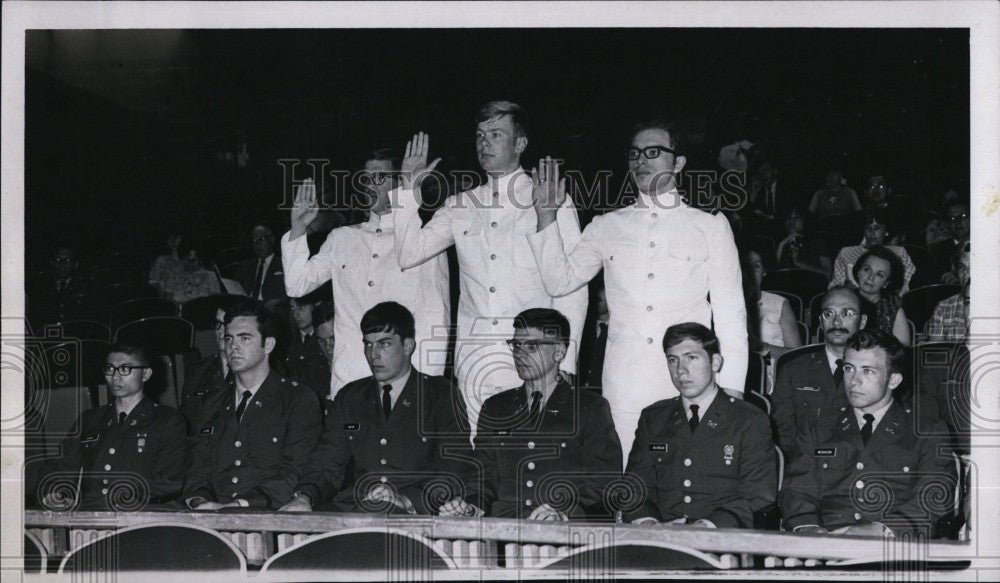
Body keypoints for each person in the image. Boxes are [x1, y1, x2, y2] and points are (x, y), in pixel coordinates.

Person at [526, 118, 747, 463]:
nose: (641, 160)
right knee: (628, 482)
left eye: (654, 152)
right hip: (624, 384)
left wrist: (730, 392)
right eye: (634, 154)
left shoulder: (709, 226)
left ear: (679, 163)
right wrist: (546, 216)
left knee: (687, 480)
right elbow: (560, 281)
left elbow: (731, 316)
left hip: (686, 379)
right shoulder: (607, 225)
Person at [390, 101, 588, 439]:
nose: (485, 143)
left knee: (532, 457)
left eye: (496, 134)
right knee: (479, 461)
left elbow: (572, 286)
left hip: (534, 357)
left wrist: (565, 363)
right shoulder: (460, 204)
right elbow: (409, 255)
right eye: (480, 135)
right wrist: (409, 189)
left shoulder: (551, 197)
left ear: (520, 144)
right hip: (474, 361)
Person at [283, 147, 451, 396]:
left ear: (401, 181)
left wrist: (427, 383)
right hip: (350, 377)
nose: (370, 185)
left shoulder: (424, 241)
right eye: (366, 178)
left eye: (380, 178)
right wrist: (298, 227)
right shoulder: (342, 238)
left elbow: (436, 317)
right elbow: (297, 285)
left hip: (405, 381)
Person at [281, 302, 470, 514]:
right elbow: (327, 462)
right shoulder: (350, 397)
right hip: (356, 510)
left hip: (414, 516)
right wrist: (305, 496)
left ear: (407, 346)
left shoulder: (439, 394)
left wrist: (407, 500)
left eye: (384, 344)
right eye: (368, 344)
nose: (374, 355)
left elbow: (455, 469)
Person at [439, 308, 621, 520]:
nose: (520, 354)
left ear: (559, 352)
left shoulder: (589, 408)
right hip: (503, 531)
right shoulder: (496, 408)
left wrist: (565, 513)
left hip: (563, 536)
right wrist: (470, 506)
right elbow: (483, 479)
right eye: (516, 345)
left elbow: (605, 482)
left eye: (532, 346)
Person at [781, 329, 955, 538]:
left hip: (893, 547)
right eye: (849, 369)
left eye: (868, 371)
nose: (854, 381)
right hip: (826, 540)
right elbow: (797, 489)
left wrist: (883, 530)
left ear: (893, 381)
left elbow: (934, 496)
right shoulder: (819, 427)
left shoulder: (928, 431)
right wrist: (808, 527)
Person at [623, 323, 776, 528]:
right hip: (661, 534)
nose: (681, 370)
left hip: (722, 536)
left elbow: (758, 494)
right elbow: (635, 486)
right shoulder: (654, 418)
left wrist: (705, 526)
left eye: (691, 358)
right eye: (673, 360)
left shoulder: (748, 419)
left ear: (715, 362)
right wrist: (649, 524)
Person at [184, 299, 322, 510]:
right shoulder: (211, 402)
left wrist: (239, 505)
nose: (233, 346)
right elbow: (197, 469)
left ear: (268, 344)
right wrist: (199, 501)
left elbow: (294, 471)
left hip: (268, 514)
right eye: (229, 338)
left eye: (244, 338)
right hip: (210, 512)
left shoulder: (297, 399)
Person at [40, 343, 187, 509]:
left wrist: (117, 498)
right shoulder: (91, 420)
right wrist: (53, 493)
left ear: (145, 374)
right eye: (110, 369)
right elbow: (59, 465)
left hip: (142, 518)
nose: (115, 377)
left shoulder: (167, 420)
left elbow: (169, 482)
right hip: (90, 518)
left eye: (125, 369)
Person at [772, 286, 868, 458]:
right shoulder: (794, 370)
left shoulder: (876, 371)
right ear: (820, 321)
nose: (837, 322)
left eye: (847, 313)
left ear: (862, 322)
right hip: (806, 471)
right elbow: (783, 436)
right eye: (828, 314)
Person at [742, 249, 802, 392]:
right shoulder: (725, 305)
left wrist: (761, 347)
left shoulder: (779, 304)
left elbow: (798, 356)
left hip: (772, 375)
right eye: (745, 267)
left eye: (756, 266)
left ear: (764, 272)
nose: (750, 272)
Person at [830, 211, 916, 293]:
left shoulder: (899, 253)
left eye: (877, 228)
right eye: (868, 228)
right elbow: (835, 285)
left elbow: (906, 285)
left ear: (886, 231)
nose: (872, 233)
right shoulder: (846, 252)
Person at [180, 307, 232, 435]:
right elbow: (187, 419)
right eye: (218, 324)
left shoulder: (258, 370)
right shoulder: (198, 371)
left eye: (227, 324)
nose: (220, 331)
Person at [29, 244, 103, 329]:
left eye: (67, 260)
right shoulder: (39, 288)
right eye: (58, 259)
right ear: (51, 263)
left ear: (76, 264)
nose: (62, 264)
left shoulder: (88, 287)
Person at [852, 247, 911, 346]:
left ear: (886, 283)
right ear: (858, 272)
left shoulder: (893, 306)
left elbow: (903, 348)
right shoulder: (844, 299)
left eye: (879, 275)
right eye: (867, 269)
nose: (870, 277)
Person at [283, 290, 332, 399]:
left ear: (315, 306)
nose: (295, 314)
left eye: (301, 307)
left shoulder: (328, 339)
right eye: (292, 309)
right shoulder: (286, 340)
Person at [925, 242, 971, 342]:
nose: (966, 273)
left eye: (974, 266)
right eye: (962, 267)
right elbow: (937, 353)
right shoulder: (944, 307)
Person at [234, 224, 287, 303]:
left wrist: (279, 301)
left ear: (272, 240)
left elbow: (293, 293)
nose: (257, 244)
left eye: (261, 239)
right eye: (254, 241)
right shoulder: (244, 266)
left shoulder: (284, 264)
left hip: (271, 310)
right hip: (246, 308)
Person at [775, 209, 832, 278]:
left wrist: (798, 263)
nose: (791, 221)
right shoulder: (781, 243)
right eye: (789, 218)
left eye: (796, 217)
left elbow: (827, 274)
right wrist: (781, 245)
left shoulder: (818, 242)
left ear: (805, 220)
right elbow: (774, 271)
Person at [163, 240, 221, 305]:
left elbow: (216, 301)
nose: (191, 264)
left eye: (194, 261)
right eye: (187, 260)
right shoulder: (172, 274)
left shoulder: (210, 276)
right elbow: (167, 302)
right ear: (182, 259)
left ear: (200, 260)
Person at [578, 278, 610, 390]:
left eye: (602, 286)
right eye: (592, 287)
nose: (596, 291)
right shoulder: (580, 329)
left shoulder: (623, 332)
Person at [148, 231, 183, 298]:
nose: (173, 242)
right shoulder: (161, 260)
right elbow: (153, 280)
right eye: (170, 239)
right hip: (168, 296)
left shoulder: (189, 259)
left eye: (176, 238)